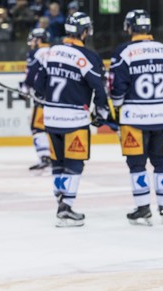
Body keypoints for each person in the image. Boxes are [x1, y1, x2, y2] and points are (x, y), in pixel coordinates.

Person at [33, 11, 109, 227]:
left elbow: (39, 86)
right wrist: (102, 112)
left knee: (57, 163)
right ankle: (66, 207)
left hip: (51, 117)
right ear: (85, 32)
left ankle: (61, 196)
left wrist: (40, 96)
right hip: (74, 120)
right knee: (74, 164)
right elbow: (99, 88)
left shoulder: (51, 52)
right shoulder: (89, 57)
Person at [109, 9, 163, 226]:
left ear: (129, 27)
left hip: (134, 119)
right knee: (162, 163)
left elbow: (117, 88)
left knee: (137, 164)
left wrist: (118, 108)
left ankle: (143, 208)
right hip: (161, 117)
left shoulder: (124, 52)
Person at [20, 27, 52, 174]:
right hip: (57, 98)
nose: (31, 43)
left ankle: (45, 157)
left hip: (42, 97)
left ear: (39, 39)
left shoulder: (35, 53)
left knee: (37, 127)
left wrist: (25, 89)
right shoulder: (54, 51)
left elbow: (31, 74)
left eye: (33, 39)